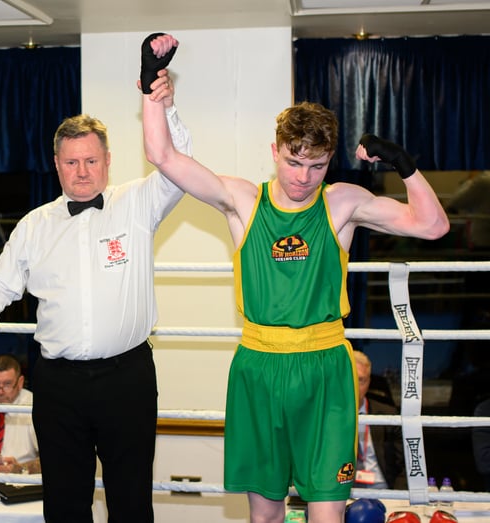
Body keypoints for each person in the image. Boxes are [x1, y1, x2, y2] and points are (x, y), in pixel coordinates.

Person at [141, 34, 449, 523]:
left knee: (326, 517)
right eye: (293, 161)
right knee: (264, 517)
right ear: (275, 150)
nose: (304, 177)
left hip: (325, 368)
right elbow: (164, 156)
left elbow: (433, 225)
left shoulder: (341, 202)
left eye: (317, 165)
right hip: (258, 367)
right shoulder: (243, 200)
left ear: (330, 162)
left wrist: (403, 164)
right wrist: (149, 87)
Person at [0, 61, 192, 522]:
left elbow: (179, 165)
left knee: (132, 503)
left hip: (127, 378)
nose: (81, 172)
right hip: (58, 385)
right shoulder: (35, 226)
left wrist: (165, 108)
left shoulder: (138, 202)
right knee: (65, 506)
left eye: (91, 160)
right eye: (71, 162)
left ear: (108, 160)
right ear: (56, 164)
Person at [353, 350, 406, 490]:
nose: (355, 387)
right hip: (341, 494)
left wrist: (399, 501)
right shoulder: (326, 417)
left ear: (369, 382)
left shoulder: (388, 415)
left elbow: (404, 467)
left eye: (360, 380)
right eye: (350, 378)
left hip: (383, 490)